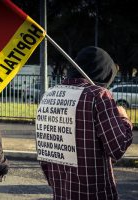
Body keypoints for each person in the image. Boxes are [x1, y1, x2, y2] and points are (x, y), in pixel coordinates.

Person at [37, 46, 133, 199]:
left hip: (61, 192)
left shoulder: (49, 96)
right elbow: (117, 148)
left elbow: (45, 152)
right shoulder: (99, 96)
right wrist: (124, 119)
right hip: (94, 193)